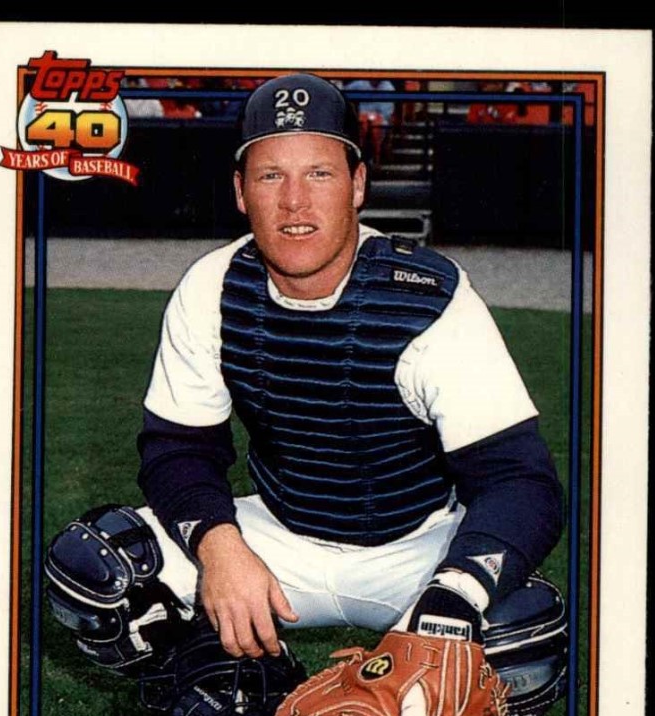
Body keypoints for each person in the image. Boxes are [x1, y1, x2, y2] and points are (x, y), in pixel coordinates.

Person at [137, 72, 563, 666]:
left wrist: (455, 593)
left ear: (357, 184)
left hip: (416, 551)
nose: (294, 201)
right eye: (271, 175)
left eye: (319, 173)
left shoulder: (429, 298)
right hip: (279, 540)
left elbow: (520, 479)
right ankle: (252, 710)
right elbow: (177, 448)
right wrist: (218, 544)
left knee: (522, 628)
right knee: (103, 568)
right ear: (240, 191)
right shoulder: (212, 286)